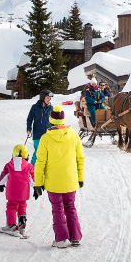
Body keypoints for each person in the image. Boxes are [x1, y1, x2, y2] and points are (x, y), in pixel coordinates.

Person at [34, 105, 85, 249]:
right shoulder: (74, 136)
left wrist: (38, 183)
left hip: (53, 182)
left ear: (50, 121)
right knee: (70, 207)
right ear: (62, 121)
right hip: (70, 180)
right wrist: (80, 178)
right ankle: (75, 237)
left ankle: (61, 239)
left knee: (57, 209)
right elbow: (80, 158)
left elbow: (40, 163)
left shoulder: (45, 138)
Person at [0, 144, 35, 236]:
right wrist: (36, 188)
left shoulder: (9, 165)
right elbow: (33, 180)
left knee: (11, 207)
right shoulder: (29, 166)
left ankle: (11, 224)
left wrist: (1, 184)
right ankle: (22, 221)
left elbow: (4, 177)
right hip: (23, 193)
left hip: (12, 193)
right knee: (22, 206)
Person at [26, 90, 54, 166]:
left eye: (50, 98)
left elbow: (53, 121)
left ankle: (45, 168)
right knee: (38, 151)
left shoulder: (51, 108)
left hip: (48, 134)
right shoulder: (35, 107)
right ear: (42, 98)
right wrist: (29, 129)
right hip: (37, 134)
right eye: (47, 98)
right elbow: (29, 119)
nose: (49, 100)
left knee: (48, 152)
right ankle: (32, 168)